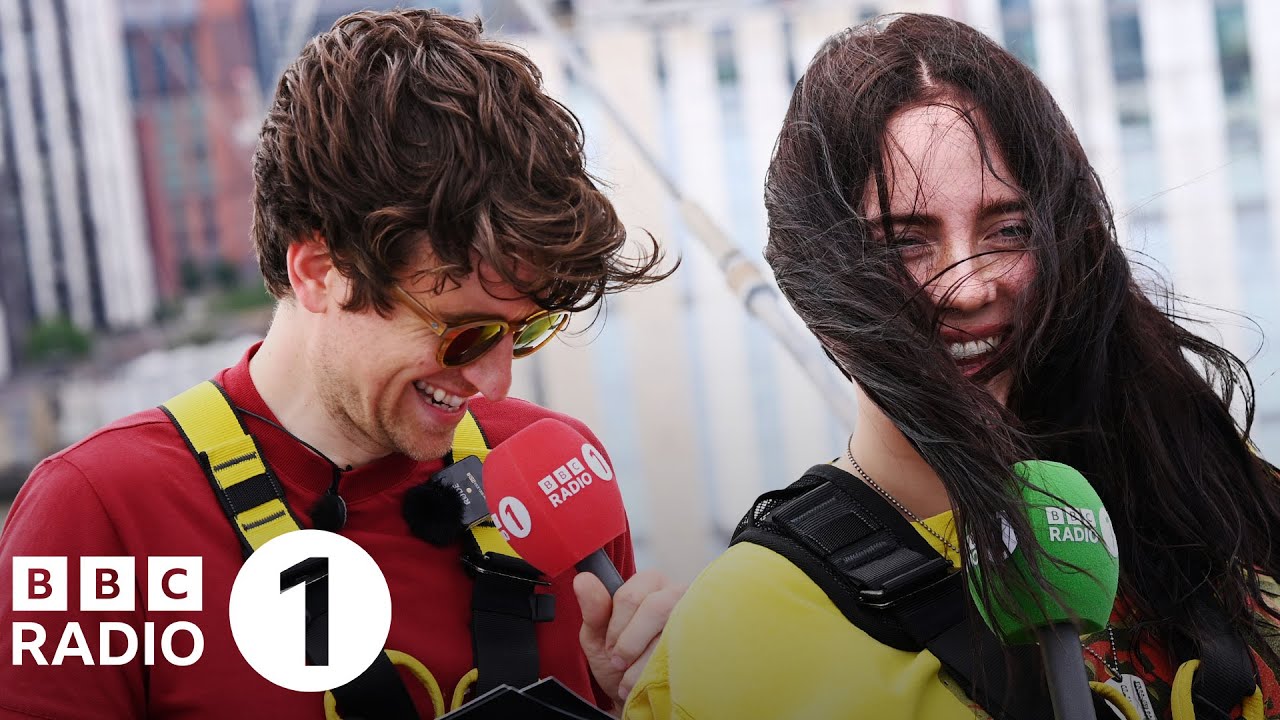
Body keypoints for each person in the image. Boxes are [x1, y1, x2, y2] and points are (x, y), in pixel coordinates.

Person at [0, 9, 682, 719]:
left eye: (526, 330)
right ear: (320, 272)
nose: (497, 381)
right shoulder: (97, 519)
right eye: (462, 334)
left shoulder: (552, 467)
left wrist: (644, 701)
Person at [624, 13, 1280, 720]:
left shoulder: (1197, 474)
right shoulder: (751, 624)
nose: (968, 287)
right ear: (819, 276)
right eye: (905, 242)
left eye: (1009, 230)